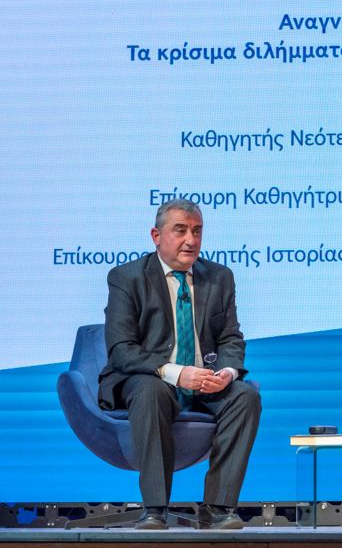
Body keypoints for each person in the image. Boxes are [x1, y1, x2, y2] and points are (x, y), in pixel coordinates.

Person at [98, 199, 261, 530]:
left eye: (197, 231)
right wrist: (176, 373)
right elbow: (121, 351)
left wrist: (226, 373)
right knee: (151, 391)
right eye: (181, 230)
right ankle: (155, 509)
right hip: (147, 377)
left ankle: (218, 508)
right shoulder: (126, 278)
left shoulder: (219, 277)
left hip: (203, 381)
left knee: (245, 397)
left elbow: (230, 337)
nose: (191, 240)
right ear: (156, 236)